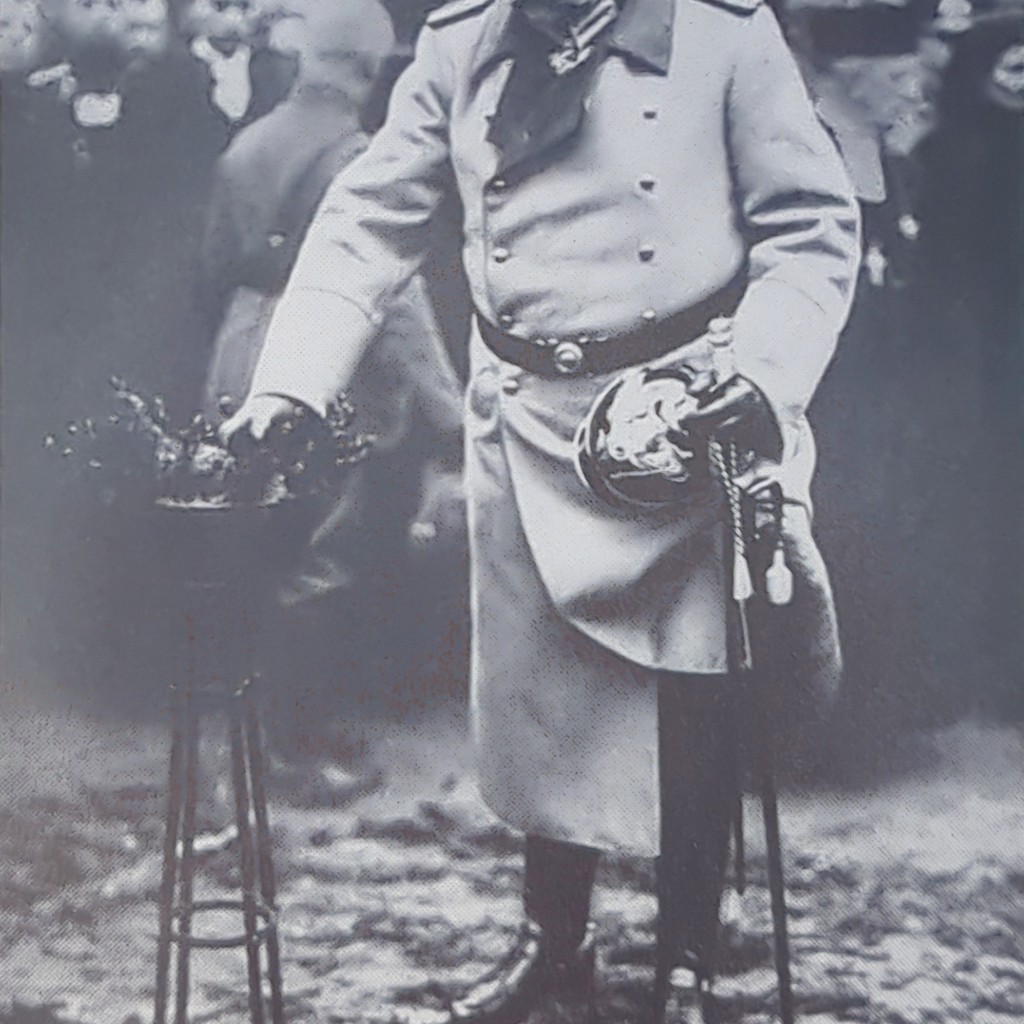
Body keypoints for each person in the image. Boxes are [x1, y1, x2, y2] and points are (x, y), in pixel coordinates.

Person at [222, 0, 861, 1020]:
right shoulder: (459, 43)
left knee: (691, 692)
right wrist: (290, 384)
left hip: (682, 418)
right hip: (524, 418)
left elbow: (811, 225)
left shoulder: (722, 34)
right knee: (537, 702)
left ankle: (688, 955)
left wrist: (762, 373)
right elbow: (367, 217)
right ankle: (554, 944)